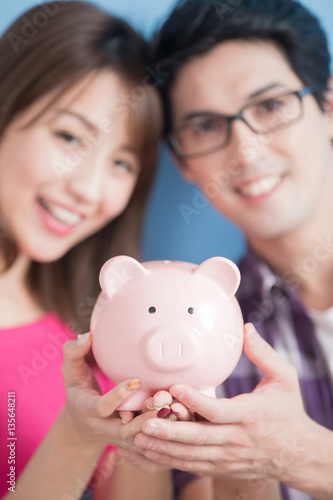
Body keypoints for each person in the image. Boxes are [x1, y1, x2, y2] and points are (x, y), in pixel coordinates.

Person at [0, 2, 211, 499]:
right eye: (70, 136)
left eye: (121, 163)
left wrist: (154, 422)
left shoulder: (93, 343)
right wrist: (76, 436)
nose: (90, 191)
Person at [125, 0, 333, 499]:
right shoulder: (203, 330)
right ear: (183, 163)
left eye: (270, 106)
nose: (245, 150)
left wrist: (302, 456)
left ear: (328, 108)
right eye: (206, 126)